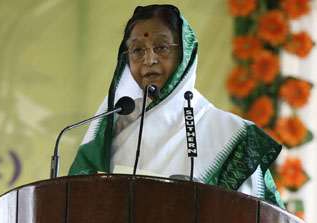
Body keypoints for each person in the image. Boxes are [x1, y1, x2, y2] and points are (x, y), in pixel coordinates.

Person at [69, 4, 283, 208]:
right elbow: (76, 202)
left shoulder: (231, 135)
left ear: (184, 53)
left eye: (161, 47)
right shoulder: (113, 125)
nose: (149, 59)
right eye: (137, 50)